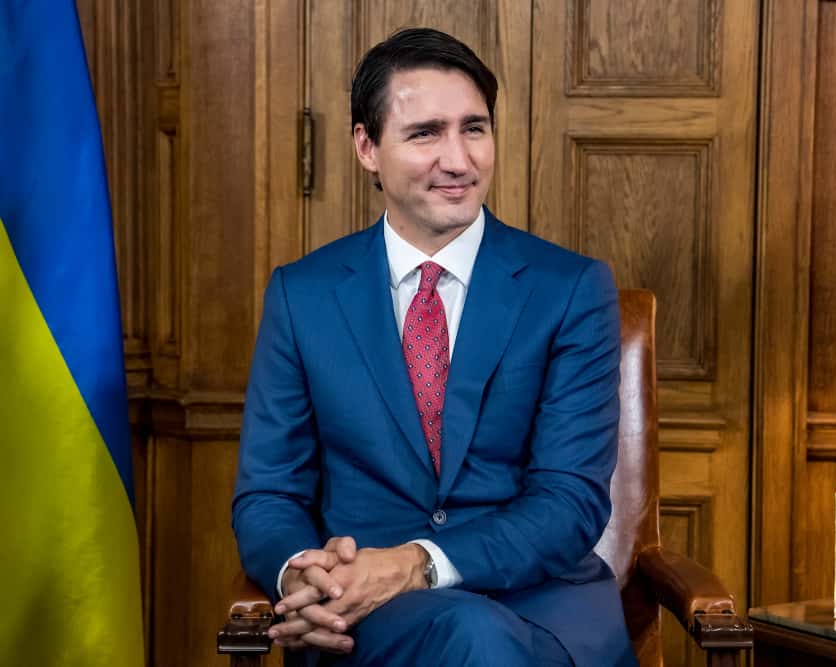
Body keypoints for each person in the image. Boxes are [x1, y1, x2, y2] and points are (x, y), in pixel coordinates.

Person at [231, 27, 636, 667]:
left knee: (479, 638)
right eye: (426, 134)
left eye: (474, 129)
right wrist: (303, 579)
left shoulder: (569, 289)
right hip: (368, 622)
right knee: (469, 638)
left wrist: (419, 563)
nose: (459, 160)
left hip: (539, 611)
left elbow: (569, 500)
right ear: (367, 147)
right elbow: (270, 493)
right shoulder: (301, 295)